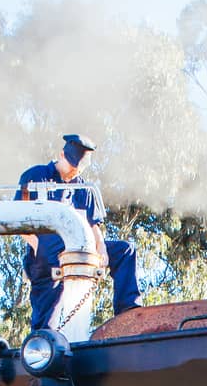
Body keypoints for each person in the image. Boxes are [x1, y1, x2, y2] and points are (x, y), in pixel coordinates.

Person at [17, 134, 141, 337]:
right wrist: (37, 245)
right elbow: (19, 220)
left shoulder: (83, 187)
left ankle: (128, 309)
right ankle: (43, 340)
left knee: (126, 250)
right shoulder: (35, 176)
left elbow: (93, 226)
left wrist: (101, 248)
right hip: (46, 254)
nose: (74, 172)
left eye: (79, 169)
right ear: (61, 156)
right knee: (46, 318)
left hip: (81, 250)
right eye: (72, 166)